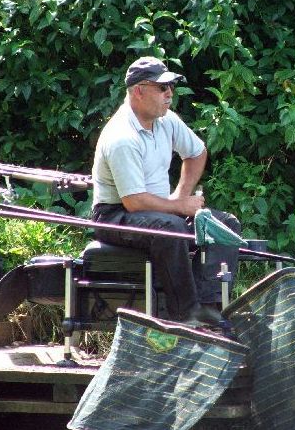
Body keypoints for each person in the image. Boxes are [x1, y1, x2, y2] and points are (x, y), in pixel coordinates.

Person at [91, 56, 241, 325]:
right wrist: (180, 207)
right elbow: (134, 202)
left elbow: (196, 153)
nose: (169, 93)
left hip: (156, 209)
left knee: (224, 224)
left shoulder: (167, 121)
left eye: (170, 86)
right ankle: (185, 314)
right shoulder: (121, 137)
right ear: (139, 90)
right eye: (162, 88)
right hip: (114, 215)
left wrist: (181, 195)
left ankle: (210, 308)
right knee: (170, 227)